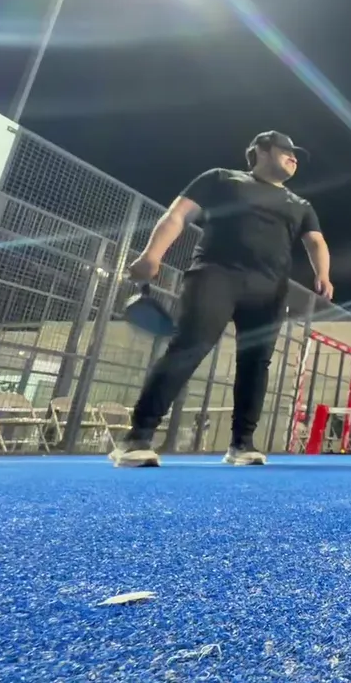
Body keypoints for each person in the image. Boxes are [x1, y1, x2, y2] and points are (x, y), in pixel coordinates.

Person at [110, 131, 333, 468]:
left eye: (296, 154)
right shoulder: (221, 178)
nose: (294, 157)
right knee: (189, 347)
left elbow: (316, 242)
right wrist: (152, 255)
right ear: (261, 150)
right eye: (287, 150)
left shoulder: (300, 205)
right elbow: (177, 215)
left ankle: (242, 444)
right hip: (216, 275)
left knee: (256, 364)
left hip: (269, 289)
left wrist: (323, 274)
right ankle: (136, 438)